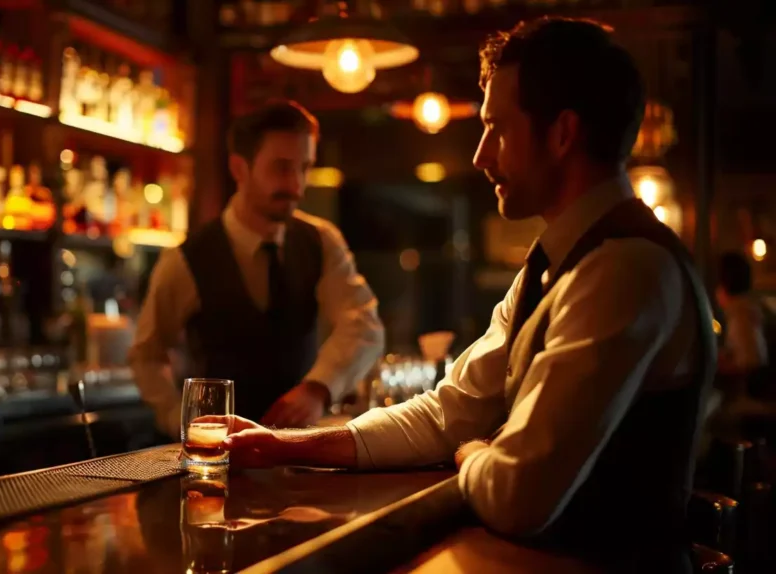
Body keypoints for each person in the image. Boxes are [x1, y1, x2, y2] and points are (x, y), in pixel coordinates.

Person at [206, 17, 716, 571]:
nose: (480, 155)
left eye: (496, 128)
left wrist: (475, 452)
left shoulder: (624, 271)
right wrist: (286, 445)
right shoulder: (557, 264)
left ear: (562, 134)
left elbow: (516, 496)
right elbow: (448, 413)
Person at [130, 100, 384, 437]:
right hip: (222, 455)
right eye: (281, 168)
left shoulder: (321, 241)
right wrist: (181, 422)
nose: (296, 185)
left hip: (301, 447)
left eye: (304, 168)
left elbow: (364, 323)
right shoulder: (186, 260)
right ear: (239, 169)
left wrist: (318, 389)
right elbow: (147, 355)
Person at [715, 252, 769, 383]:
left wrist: (716, 367)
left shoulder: (740, 315)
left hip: (751, 394)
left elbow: (748, 365)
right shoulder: (746, 310)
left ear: (724, 286)